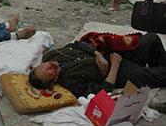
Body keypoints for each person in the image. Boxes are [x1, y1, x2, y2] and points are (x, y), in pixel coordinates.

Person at [28, 33, 166, 98]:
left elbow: (76, 44)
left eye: (45, 65)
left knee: (151, 39)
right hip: (118, 71)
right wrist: (115, 65)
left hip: (108, 53)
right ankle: (152, 70)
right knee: (160, 75)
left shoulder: (51, 56)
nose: (51, 65)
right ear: (53, 81)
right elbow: (103, 92)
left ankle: (152, 64)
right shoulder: (70, 83)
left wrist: (97, 54)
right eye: (50, 71)